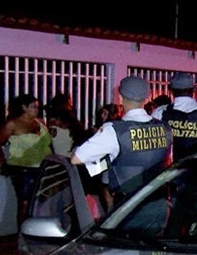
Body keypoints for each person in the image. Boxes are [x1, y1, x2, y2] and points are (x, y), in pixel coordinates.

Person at [71, 75, 173, 209]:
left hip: (128, 208)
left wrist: (108, 162)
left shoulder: (114, 130)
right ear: (146, 98)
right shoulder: (165, 127)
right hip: (159, 204)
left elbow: (76, 158)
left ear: (120, 98)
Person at [0, 93, 53, 228]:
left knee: (41, 201)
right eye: (33, 107)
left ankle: (37, 229)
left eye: (37, 107)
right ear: (24, 107)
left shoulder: (40, 122)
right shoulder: (12, 124)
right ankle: (23, 232)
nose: (36, 110)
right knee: (25, 202)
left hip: (43, 167)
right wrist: (2, 162)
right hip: (23, 168)